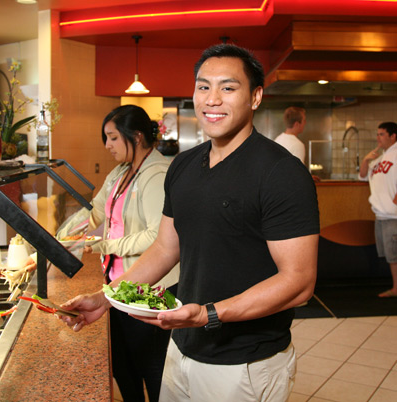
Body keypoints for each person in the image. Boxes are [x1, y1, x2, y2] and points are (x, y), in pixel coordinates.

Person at [60, 44, 319, 402]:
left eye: (228, 88)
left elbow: (299, 282)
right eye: (203, 87)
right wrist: (105, 299)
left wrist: (209, 314)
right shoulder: (182, 166)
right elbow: (166, 247)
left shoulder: (280, 173)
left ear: (255, 96)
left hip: (243, 361)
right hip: (181, 349)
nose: (212, 99)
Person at [60, 104, 178, 402]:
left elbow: (157, 235)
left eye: (113, 137)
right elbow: (95, 210)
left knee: (151, 368)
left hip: (150, 288)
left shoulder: (157, 174)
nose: (107, 145)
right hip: (118, 286)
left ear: (136, 136)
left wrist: (106, 245)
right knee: (123, 367)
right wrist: (62, 236)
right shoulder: (121, 171)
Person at [359, 122, 397, 298]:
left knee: (394, 255)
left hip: (393, 215)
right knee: (390, 255)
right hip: (380, 214)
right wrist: (366, 160)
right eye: (377, 134)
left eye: (382, 134)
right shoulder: (380, 158)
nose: (378, 138)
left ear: (393, 136)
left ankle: (396, 289)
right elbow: (362, 175)